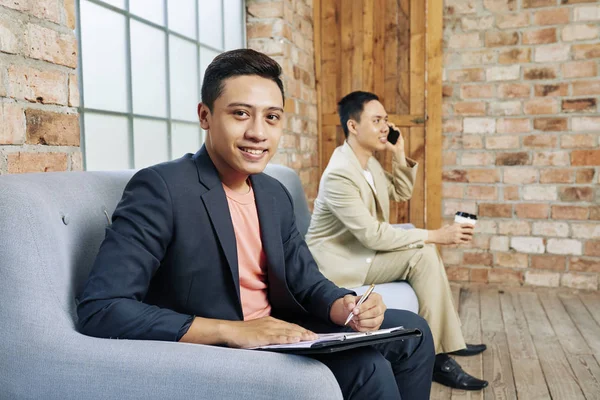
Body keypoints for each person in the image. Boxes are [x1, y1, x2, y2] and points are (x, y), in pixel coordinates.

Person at [77, 50, 435, 399]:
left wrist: (342, 305)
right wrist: (233, 331)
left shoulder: (272, 192)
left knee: (413, 331)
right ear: (205, 115)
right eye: (240, 114)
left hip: (279, 328)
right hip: (218, 347)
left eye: (272, 117)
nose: (258, 133)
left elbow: (305, 279)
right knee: (365, 366)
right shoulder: (161, 188)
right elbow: (102, 308)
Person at [305, 91, 488, 391]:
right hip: (338, 264)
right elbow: (373, 234)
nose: (384, 128)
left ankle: (445, 344)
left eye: (386, 121)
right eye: (376, 120)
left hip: (362, 253)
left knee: (424, 251)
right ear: (353, 126)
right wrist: (436, 235)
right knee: (424, 251)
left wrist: (398, 153)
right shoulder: (340, 173)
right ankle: (440, 357)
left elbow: (400, 192)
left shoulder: (368, 164)